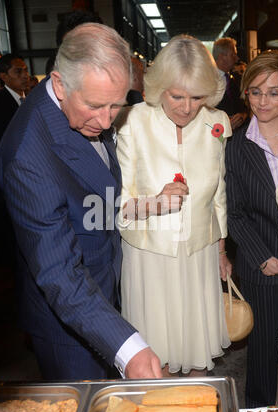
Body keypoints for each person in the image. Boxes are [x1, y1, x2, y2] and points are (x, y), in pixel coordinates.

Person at [0, 23, 162, 381]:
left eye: (116, 105)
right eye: (95, 106)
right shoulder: (27, 155)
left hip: (103, 288)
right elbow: (59, 272)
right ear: (58, 84)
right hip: (67, 320)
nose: (105, 120)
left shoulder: (84, 107)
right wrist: (127, 347)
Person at [115, 35, 232, 378]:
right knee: (154, 355)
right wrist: (154, 203)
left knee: (198, 346)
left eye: (197, 97)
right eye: (176, 95)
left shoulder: (217, 121)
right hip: (149, 255)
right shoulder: (131, 120)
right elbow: (116, 204)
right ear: (159, 87)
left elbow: (219, 193)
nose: (186, 107)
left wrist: (222, 249)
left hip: (200, 251)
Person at [225, 49, 278, 408]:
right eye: (255, 91)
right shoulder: (235, 146)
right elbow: (234, 213)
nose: (264, 101)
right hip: (259, 261)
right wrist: (264, 257)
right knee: (263, 350)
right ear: (245, 92)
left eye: (273, 92)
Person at [0, 54, 29, 265]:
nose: (25, 76)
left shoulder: (29, 101)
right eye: (18, 72)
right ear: (3, 76)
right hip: (9, 188)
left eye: (25, 70)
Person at [213, 38, 248, 131]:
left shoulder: (235, 78)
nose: (237, 58)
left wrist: (242, 116)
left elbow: (243, 105)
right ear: (222, 57)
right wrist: (224, 123)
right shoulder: (206, 81)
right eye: (233, 55)